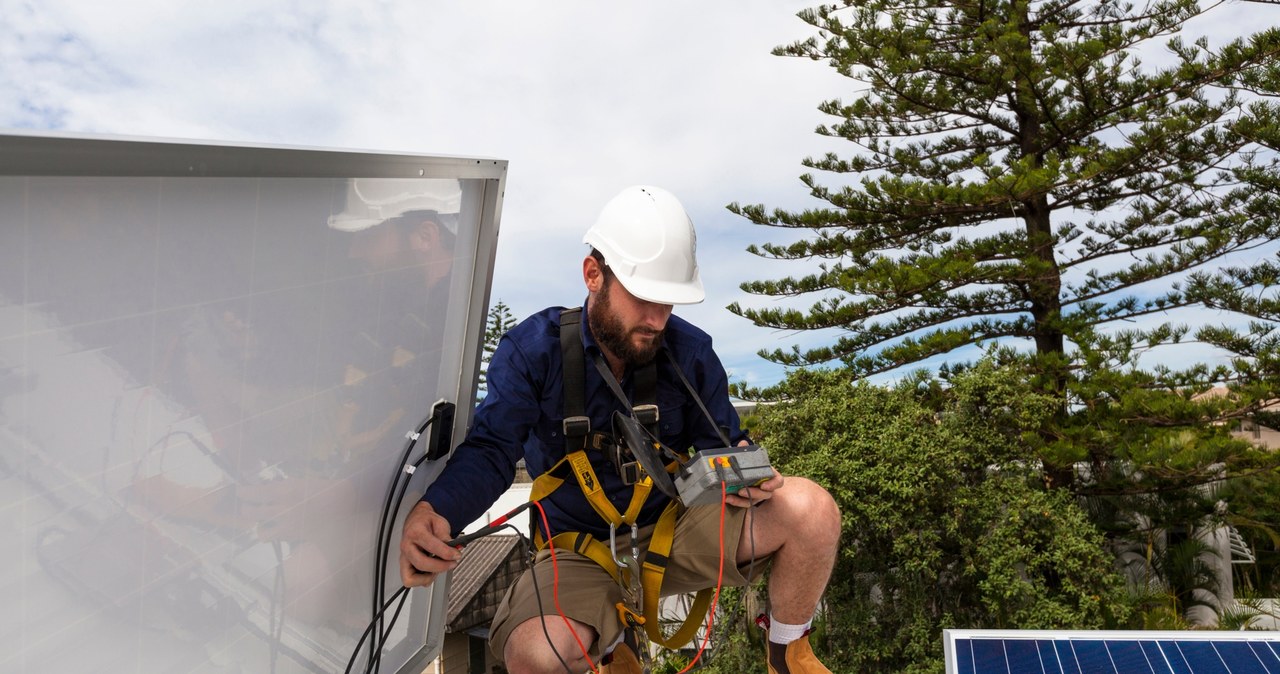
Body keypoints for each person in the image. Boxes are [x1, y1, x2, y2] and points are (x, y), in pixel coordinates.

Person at [399, 185, 841, 674]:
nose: (657, 319)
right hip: (577, 550)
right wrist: (437, 511)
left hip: (673, 532)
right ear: (594, 275)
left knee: (812, 511)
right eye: (644, 298)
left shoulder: (689, 353)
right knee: (535, 654)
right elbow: (492, 450)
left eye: (669, 303)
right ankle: (613, 649)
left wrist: (742, 472)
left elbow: (722, 442)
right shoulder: (533, 352)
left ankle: (787, 653)